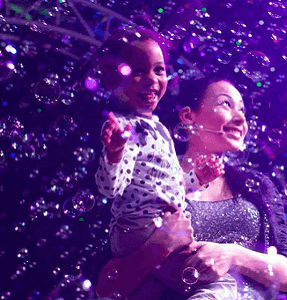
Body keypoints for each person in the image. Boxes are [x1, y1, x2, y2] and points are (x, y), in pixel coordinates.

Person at [96, 77, 287, 300]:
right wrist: (161, 245)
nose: (240, 118)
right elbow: (106, 286)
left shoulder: (258, 186)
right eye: (226, 104)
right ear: (188, 116)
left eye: (242, 110)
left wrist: (232, 255)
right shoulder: (149, 178)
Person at [93, 26, 236, 300]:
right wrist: (114, 153)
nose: (151, 79)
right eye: (137, 71)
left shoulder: (156, 128)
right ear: (114, 81)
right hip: (141, 230)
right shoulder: (125, 128)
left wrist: (197, 178)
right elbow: (110, 188)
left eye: (158, 70)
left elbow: (170, 186)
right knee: (219, 284)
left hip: (155, 226)